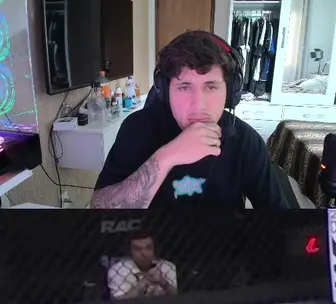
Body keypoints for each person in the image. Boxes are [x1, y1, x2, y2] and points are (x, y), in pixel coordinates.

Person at [92, 31, 289, 210]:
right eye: (184, 87)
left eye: (211, 87)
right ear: (165, 90)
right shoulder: (137, 128)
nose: (198, 105)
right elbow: (99, 207)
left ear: (230, 91)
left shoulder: (246, 141)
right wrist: (167, 157)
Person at [108, 235, 179, 299]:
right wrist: (142, 284)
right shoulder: (118, 270)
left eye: (149, 248)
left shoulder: (167, 266)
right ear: (130, 252)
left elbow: (180, 296)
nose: (144, 253)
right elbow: (119, 302)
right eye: (138, 249)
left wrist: (163, 283)